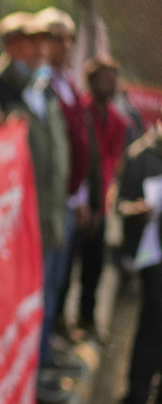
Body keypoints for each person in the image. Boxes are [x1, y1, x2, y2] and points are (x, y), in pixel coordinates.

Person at [0, 11, 71, 404]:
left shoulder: (44, 87)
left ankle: (38, 373)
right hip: (19, 224)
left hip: (51, 215)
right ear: (9, 45)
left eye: (43, 42)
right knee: (19, 309)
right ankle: (23, 387)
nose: (39, 49)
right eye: (29, 41)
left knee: (47, 301)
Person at [31, 7, 88, 352]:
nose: (62, 45)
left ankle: (47, 357)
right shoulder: (41, 85)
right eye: (54, 37)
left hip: (66, 202)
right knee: (40, 287)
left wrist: (81, 197)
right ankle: (36, 368)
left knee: (55, 284)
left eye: (67, 38)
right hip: (44, 206)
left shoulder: (67, 82)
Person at [72, 55, 127, 342]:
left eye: (114, 79)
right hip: (77, 199)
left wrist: (104, 199)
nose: (111, 85)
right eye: (106, 79)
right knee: (69, 266)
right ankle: (62, 322)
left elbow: (113, 161)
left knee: (94, 266)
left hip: (101, 201)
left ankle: (87, 318)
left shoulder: (117, 120)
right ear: (92, 81)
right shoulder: (78, 111)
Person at [116, 113, 162, 404]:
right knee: (153, 327)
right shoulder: (141, 157)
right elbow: (119, 203)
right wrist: (136, 210)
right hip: (153, 256)